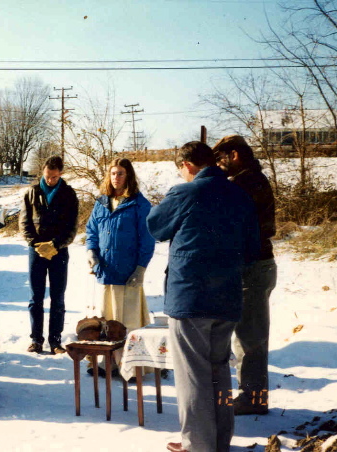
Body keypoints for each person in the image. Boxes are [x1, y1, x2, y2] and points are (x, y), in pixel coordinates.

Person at [146, 142, 260, 452]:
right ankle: (220, 440)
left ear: (187, 166)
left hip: (191, 298)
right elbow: (253, 248)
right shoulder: (240, 195)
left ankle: (197, 444)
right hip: (228, 297)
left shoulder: (185, 192)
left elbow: (155, 226)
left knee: (191, 375)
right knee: (219, 372)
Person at [213, 135, 277, 416]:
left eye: (220, 158)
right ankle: (254, 395)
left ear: (235, 155)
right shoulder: (249, 180)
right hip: (255, 265)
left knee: (250, 338)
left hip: (252, 266)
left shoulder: (245, 183)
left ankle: (254, 398)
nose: (218, 164)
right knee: (249, 336)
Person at [85, 158, 155, 375]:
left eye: (121, 173)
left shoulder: (139, 204)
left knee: (128, 324)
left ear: (129, 176)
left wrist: (141, 268)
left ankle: (132, 368)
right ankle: (107, 365)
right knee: (106, 323)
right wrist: (91, 251)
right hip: (105, 273)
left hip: (128, 274)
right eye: (113, 173)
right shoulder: (101, 202)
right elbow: (92, 231)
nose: (116, 177)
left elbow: (147, 238)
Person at [20, 155, 79, 354]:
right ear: (42, 172)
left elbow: (72, 227)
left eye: (54, 177)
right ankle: (36, 339)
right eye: (47, 176)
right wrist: (36, 244)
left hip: (59, 252)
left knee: (57, 297)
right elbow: (24, 223)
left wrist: (55, 245)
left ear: (61, 174)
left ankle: (55, 341)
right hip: (36, 252)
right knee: (35, 297)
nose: (50, 180)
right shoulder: (31, 192)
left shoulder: (69, 194)